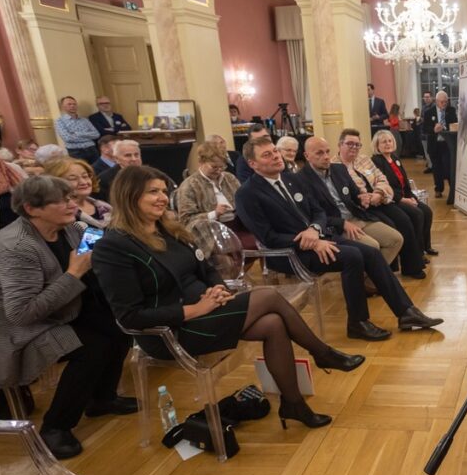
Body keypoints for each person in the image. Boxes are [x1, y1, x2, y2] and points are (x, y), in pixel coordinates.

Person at [92, 165, 365, 431]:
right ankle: (322, 353)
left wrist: (218, 288)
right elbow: (129, 316)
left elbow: (206, 268)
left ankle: (293, 403)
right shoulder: (113, 247)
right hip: (171, 331)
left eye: (164, 191)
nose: (162, 197)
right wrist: (195, 309)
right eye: (153, 192)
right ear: (129, 196)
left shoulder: (168, 230)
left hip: (208, 309)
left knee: (273, 324)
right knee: (268, 296)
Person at [0, 176, 136, 459]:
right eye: (61, 201)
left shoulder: (69, 229)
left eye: (70, 198)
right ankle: (55, 428)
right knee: (91, 347)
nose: (71, 204)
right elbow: (21, 313)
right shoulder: (16, 247)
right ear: (32, 208)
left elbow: (90, 261)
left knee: (120, 326)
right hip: (12, 331)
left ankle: (102, 399)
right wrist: (73, 274)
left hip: (60, 309)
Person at [234, 137, 442, 341]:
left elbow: (318, 212)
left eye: (275, 151)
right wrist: (311, 240)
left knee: (370, 252)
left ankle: (406, 312)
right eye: (267, 155)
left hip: (319, 238)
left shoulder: (290, 179)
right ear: (253, 164)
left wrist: (315, 229)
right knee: (353, 256)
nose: (276, 157)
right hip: (291, 252)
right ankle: (357, 323)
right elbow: (268, 237)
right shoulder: (247, 194)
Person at [330, 128, 426, 278]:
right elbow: (349, 195)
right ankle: (389, 271)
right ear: (340, 145)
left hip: (380, 199)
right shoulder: (334, 167)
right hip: (363, 208)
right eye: (350, 144)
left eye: (357, 145)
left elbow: (382, 179)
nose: (354, 148)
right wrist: (368, 197)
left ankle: (412, 265)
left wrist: (378, 193)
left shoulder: (364, 159)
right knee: (397, 223)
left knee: (408, 218)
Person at [298, 136, 404, 265]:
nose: (326, 156)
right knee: (372, 246)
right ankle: (372, 279)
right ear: (307, 155)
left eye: (327, 151)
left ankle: (371, 280)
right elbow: (313, 214)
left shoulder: (339, 169)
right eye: (319, 153)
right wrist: (342, 223)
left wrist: (362, 199)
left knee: (396, 239)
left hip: (356, 217)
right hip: (334, 226)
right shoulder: (301, 180)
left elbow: (355, 194)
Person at [174, 142, 255, 250]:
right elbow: (186, 220)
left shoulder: (229, 178)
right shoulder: (189, 185)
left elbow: (244, 200)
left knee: (263, 240)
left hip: (238, 225)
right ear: (201, 162)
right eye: (214, 167)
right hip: (210, 233)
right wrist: (214, 213)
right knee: (230, 253)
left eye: (222, 167)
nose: (219, 171)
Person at [372, 129, 437, 257]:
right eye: (384, 142)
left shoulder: (395, 159)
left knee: (427, 211)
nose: (388, 144)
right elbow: (385, 187)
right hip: (392, 200)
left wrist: (412, 197)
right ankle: (417, 253)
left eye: (390, 141)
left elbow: (405, 182)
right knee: (417, 214)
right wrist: (403, 200)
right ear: (377, 145)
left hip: (405, 196)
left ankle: (426, 246)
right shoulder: (376, 161)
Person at [44, 158, 112, 229]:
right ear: (57, 183)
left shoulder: (106, 208)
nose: (83, 182)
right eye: (73, 178)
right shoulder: (62, 214)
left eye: (85, 176)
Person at [95, 139, 160, 201]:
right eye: (128, 155)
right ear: (116, 159)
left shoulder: (152, 174)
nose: (134, 159)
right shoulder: (104, 179)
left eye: (136, 155)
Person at [421, 91, 455, 198]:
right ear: (436, 102)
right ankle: (438, 189)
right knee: (437, 168)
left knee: (448, 167)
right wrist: (433, 129)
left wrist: (445, 128)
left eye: (446, 102)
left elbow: (455, 124)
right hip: (434, 145)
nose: (444, 104)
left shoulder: (451, 110)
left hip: (447, 144)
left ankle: (453, 190)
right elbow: (424, 129)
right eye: (441, 102)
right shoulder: (428, 112)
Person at [54, 96, 100, 163]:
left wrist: (78, 134)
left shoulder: (85, 120)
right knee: (82, 171)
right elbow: (68, 138)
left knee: (98, 171)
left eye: (74, 104)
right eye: (69, 104)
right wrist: (88, 137)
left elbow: (96, 134)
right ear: (63, 107)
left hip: (92, 149)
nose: (72, 106)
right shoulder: (60, 121)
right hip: (76, 151)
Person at [420, 91, 435, 171]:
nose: (426, 99)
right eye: (425, 97)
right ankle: (430, 166)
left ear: (431, 98)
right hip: (423, 132)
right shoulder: (423, 107)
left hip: (431, 133)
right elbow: (422, 118)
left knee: (432, 151)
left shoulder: (434, 107)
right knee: (426, 151)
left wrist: (424, 120)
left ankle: (433, 166)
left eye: (428, 97)